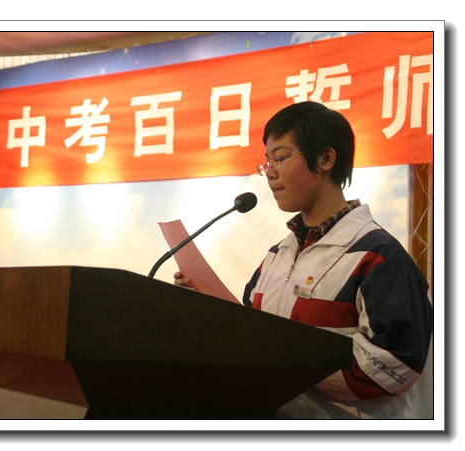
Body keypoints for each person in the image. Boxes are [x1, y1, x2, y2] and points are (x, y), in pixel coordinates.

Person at [174, 101, 433, 419]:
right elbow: (251, 331)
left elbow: (394, 367)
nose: (270, 172)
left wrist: (278, 359)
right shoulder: (276, 256)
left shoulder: (379, 258)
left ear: (325, 159)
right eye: (267, 162)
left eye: (281, 158)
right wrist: (204, 306)